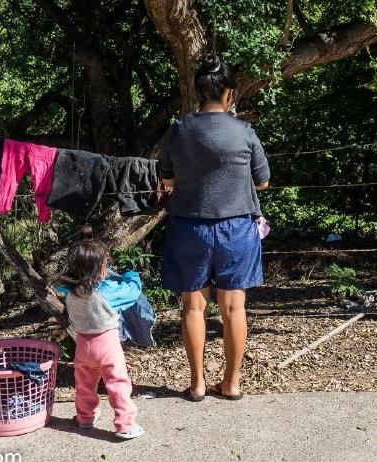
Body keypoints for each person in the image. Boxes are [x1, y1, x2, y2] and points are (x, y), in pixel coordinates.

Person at [158, 53, 270, 401]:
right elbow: (263, 181)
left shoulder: (179, 131)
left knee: (193, 307)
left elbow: (166, 177)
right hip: (237, 228)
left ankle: (197, 385)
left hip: (189, 228)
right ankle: (232, 384)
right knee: (234, 308)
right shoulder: (244, 132)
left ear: (198, 93)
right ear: (229, 94)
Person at [55, 226, 144, 439]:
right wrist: (133, 276)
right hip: (107, 346)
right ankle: (125, 424)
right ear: (100, 269)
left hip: (82, 345)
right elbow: (132, 292)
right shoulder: (107, 292)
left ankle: (85, 418)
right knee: (117, 384)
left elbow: (62, 285)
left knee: (84, 385)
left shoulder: (69, 291)